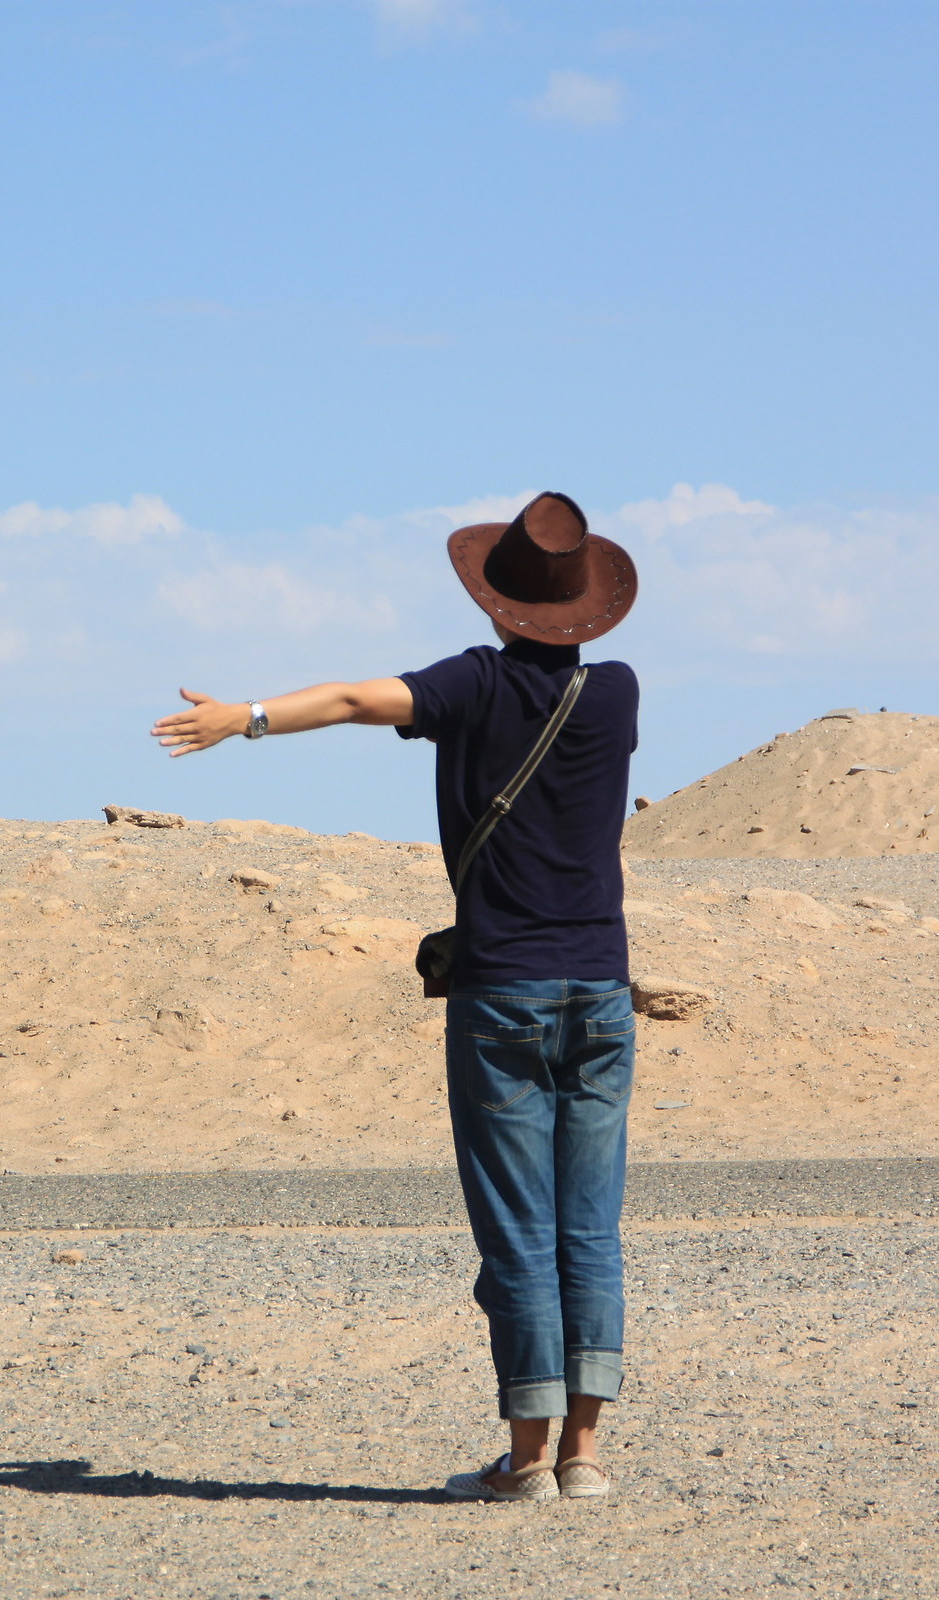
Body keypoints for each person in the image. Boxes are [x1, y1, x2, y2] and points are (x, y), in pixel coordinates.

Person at [152, 491, 640, 1502]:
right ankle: (585, 1459)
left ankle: (524, 1461)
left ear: (501, 604)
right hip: (600, 983)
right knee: (588, 1224)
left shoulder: (473, 686)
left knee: (518, 1225)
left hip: (503, 987)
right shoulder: (617, 692)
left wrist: (237, 719)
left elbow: (346, 701)